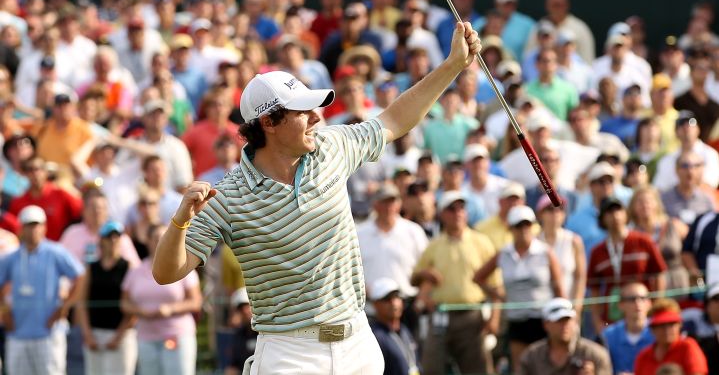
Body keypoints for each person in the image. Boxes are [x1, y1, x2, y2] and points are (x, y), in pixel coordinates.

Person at [152, 23, 481, 373]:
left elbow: (395, 119)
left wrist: (452, 65)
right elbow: (167, 272)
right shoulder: (227, 196)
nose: (316, 117)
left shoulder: (331, 147)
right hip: (288, 353)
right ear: (269, 122)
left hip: (357, 343)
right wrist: (180, 221)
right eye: (302, 111)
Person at [412, 191, 498, 375]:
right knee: (431, 367)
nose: (458, 213)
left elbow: (496, 286)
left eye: (461, 208)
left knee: (478, 370)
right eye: (452, 209)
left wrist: (495, 317)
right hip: (440, 315)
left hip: (472, 316)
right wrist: (424, 273)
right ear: (442, 214)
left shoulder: (481, 242)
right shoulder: (434, 245)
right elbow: (414, 278)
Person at [475, 205, 566, 372]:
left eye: (527, 224)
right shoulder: (504, 254)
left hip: (543, 320)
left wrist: (565, 312)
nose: (523, 229)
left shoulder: (545, 252)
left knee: (547, 367)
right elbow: (478, 277)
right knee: (521, 368)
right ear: (511, 229)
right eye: (518, 225)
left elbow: (559, 287)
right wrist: (499, 295)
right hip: (517, 320)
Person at [0, 205, 85, 375]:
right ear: (21, 228)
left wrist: (64, 307)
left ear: (44, 227)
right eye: (29, 225)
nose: (33, 230)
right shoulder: (12, 256)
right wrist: (4, 312)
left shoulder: (55, 252)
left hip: (49, 333)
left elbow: (81, 277)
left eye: (37, 225)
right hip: (18, 333)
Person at [122, 225, 202, 375]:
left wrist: (170, 309)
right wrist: (140, 311)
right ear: (148, 241)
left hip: (177, 335)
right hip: (146, 337)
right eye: (156, 238)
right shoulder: (136, 270)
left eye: (164, 237)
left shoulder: (183, 266)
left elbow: (196, 301)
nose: (160, 241)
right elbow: (125, 302)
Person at [588, 197, 667, 334]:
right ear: (602, 219)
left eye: (618, 210)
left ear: (626, 214)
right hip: (612, 317)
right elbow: (594, 289)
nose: (615, 215)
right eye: (609, 212)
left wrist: (657, 308)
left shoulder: (643, 241)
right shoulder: (597, 252)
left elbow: (659, 275)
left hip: (643, 312)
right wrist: (597, 321)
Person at [75, 220, 137, 375]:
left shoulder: (128, 267)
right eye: (109, 237)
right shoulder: (92, 268)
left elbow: (133, 305)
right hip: (95, 334)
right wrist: (87, 334)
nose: (113, 240)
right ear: (101, 240)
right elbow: (81, 302)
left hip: (121, 335)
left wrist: (119, 336)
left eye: (117, 237)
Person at [357, 183, 428, 301]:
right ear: (375, 204)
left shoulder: (414, 231)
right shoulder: (360, 234)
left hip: (406, 301)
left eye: (392, 201)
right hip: (371, 304)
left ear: (399, 204)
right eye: (384, 202)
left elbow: (426, 266)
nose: (389, 206)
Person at [518, 297, 613, 375]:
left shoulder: (595, 355)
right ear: (546, 325)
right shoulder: (531, 356)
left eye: (568, 320)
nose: (565, 326)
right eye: (559, 321)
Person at [628, 186, 690, 291]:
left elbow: (691, 249)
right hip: (647, 291)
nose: (645, 205)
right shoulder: (631, 235)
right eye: (640, 202)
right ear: (633, 207)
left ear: (657, 203)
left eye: (648, 201)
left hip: (677, 285)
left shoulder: (674, 226)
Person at [536, 195, 586, 315]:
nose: (555, 213)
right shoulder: (534, 242)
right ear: (540, 214)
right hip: (540, 310)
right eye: (550, 209)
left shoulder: (574, 241)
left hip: (568, 309)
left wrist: (576, 309)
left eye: (559, 209)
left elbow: (580, 277)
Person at [634, 298, 708, 375]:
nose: (667, 330)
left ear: (680, 325)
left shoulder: (687, 347)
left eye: (671, 324)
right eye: (661, 325)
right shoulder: (643, 356)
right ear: (652, 329)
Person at [367, 278, 420, 375]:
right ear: (375, 304)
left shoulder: (404, 330)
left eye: (396, 297)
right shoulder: (374, 337)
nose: (393, 303)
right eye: (387, 299)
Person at [600, 282, 655, 375]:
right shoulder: (608, 335)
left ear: (649, 303)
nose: (638, 303)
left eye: (643, 298)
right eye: (632, 299)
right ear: (620, 305)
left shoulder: (659, 331)